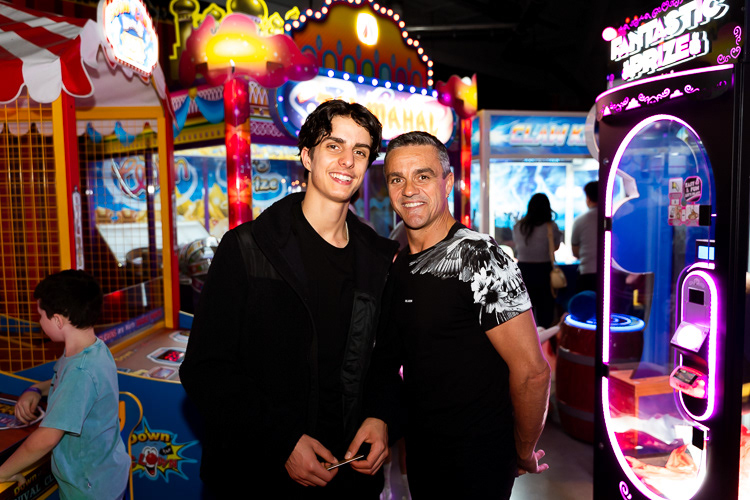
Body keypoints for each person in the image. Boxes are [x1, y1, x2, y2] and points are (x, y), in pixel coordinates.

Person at [179, 99, 398, 499]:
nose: (347, 161)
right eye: (334, 146)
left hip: (348, 477)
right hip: (258, 474)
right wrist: (282, 441)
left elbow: (383, 361)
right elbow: (205, 370)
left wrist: (381, 417)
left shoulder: (378, 259)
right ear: (307, 157)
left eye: (360, 151)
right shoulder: (248, 248)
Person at [360, 131, 551, 499]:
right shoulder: (399, 266)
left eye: (423, 176)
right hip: (423, 453)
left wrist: (522, 450)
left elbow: (533, 373)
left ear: (448, 183)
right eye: (397, 179)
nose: (409, 189)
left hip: (478, 460)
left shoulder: (481, 257)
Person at [0, 270, 130, 499]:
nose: (39, 321)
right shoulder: (92, 350)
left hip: (89, 488)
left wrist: (3, 471)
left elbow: (46, 438)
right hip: (104, 473)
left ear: (58, 320)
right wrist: (36, 389)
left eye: (41, 316)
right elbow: (68, 383)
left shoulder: (80, 370)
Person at [512, 193, 562, 328]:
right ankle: (545, 337)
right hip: (544, 270)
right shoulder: (551, 226)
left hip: (523, 270)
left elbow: (518, 245)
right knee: (545, 311)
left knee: (525, 311)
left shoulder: (518, 226)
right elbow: (555, 247)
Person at [571, 181, 599, 293]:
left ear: (588, 198)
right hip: (610, 273)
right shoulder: (612, 219)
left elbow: (575, 251)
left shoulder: (580, 220)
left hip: (586, 272)